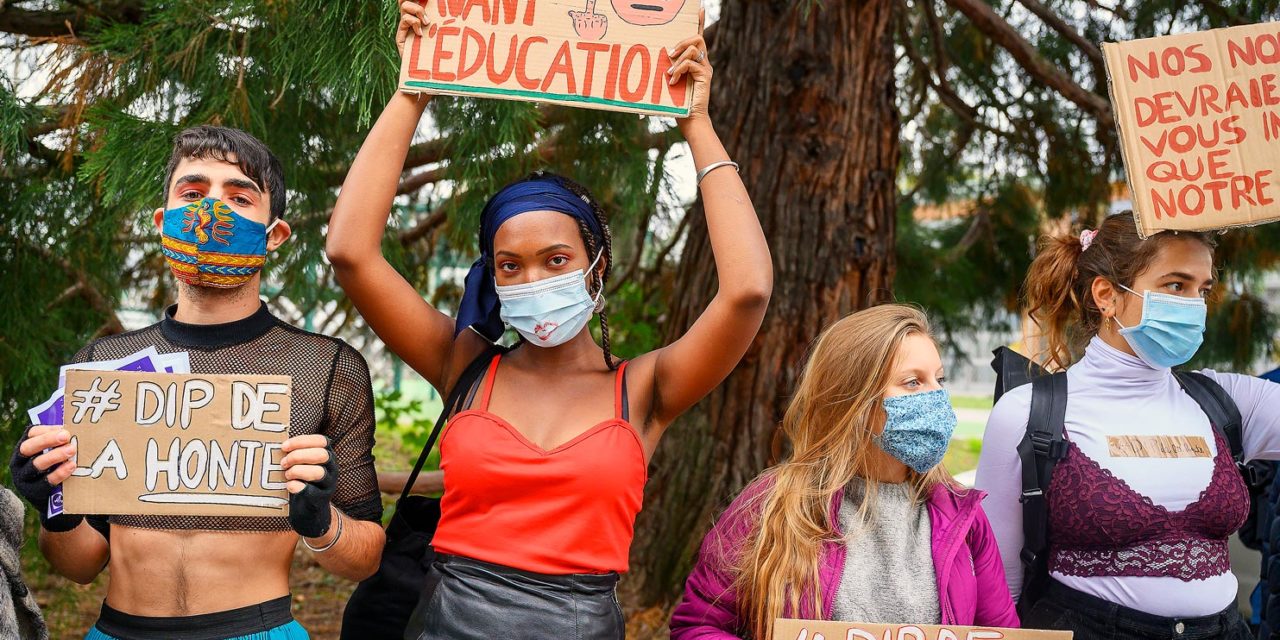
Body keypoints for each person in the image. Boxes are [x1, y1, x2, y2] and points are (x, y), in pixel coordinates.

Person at [325, 2, 772, 636]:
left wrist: (695, 123)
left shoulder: (645, 389)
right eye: (510, 266)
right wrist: (412, 93)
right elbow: (350, 251)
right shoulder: (465, 367)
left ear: (597, 266)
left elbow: (748, 292)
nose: (532, 279)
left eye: (556, 259)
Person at [9, 126, 386, 640]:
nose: (212, 210)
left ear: (274, 234)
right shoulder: (103, 366)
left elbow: (364, 559)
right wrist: (52, 508)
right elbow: (78, 566)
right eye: (193, 193)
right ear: (165, 223)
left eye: (239, 196)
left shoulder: (324, 367)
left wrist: (322, 523)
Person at [975, 212, 1280, 639]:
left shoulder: (1225, 401)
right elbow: (997, 583)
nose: (1194, 305)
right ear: (1107, 295)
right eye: (1176, 285)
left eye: (1202, 290)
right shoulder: (1028, 411)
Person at [669, 305, 1018, 640]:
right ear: (855, 399)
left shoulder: (962, 517)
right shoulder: (772, 506)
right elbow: (697, 626)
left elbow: (1002, 634)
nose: (937, 397)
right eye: (913, 383)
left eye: (939, 380)